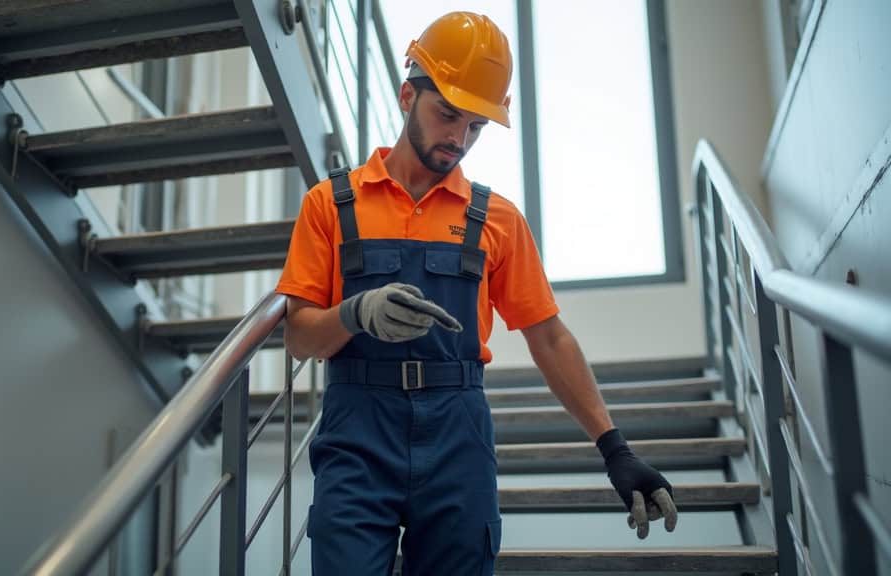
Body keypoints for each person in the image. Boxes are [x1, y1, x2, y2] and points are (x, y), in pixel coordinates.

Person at [276, 11, 678, 575]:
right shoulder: (330, 204)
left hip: (457, 431)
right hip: (357, 429)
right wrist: (355, 313)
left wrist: (615, 449)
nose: (458, 139)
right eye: (448, 115)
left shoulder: (497, 219)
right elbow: (298, 337)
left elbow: (550, 338)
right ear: (407, 95)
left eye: (476, 126)